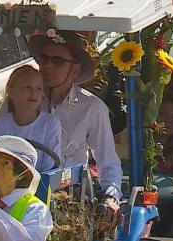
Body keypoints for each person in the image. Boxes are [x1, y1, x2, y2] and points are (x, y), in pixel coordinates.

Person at [29, 31, 122, 216]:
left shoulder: (92, 107)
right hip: (22, 194)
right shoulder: (22, 99)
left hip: (70, 198)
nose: (47, 65)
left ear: (75, 70)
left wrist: (111, 197)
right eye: (44, 58)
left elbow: (108, 162)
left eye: (57, 61)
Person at [0, 66, 63, 172]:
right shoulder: (2, 123)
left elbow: (51, 166)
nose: (34, 93)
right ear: (11, 91)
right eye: (27, 88)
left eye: (39, 88)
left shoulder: (50, 123)